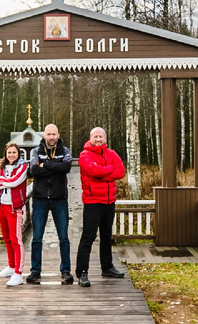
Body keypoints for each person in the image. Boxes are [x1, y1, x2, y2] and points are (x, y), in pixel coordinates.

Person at [75, 126, 126, 288]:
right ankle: (82, 272)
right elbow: (92, 171)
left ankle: (107, 267)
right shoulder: (84, 155)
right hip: (92, 202)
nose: (98, 139)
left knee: (106, 236)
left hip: (109, 201)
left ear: (105, 138)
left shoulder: (112, 154)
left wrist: (103, 172)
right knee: (88, 237)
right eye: (95, 136)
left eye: (101, 137)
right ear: (91, 138)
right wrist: (108, 170)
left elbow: (121, 172)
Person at [27, 123, 73, 285]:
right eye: (49, 134)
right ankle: (35, 271)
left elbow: (66, 167)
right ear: (44, 136)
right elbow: (34, 170)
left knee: (64, 238)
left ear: (58, 135)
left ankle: (66, 270)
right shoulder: (35, 151)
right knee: (37, 238)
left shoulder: (65, 151)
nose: (51, 137)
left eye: (54, 134)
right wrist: (55, 167)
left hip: (59, 199)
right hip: (40, 200)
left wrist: (45, 164)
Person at [0, 142, 29, 287]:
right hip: (2, 205)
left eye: (14, 152)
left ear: (18, 153)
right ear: (6, 154)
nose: (11, 155)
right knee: (6, 238)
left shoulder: (23, 166)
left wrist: (3, 181)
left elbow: (15, 182)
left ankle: (18, 273)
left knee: (16, 240)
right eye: (9, 153)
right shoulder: (2, 167)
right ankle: (11, 266)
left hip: (14, 207)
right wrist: (4, 182)